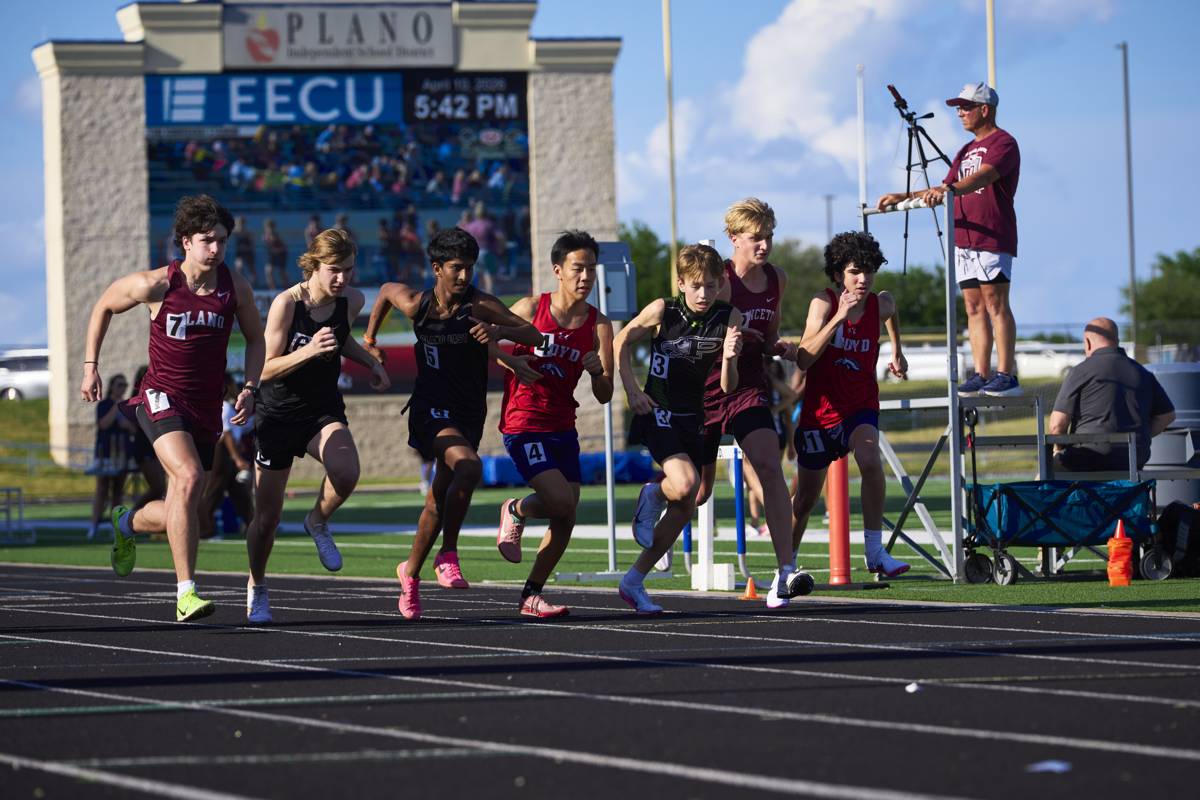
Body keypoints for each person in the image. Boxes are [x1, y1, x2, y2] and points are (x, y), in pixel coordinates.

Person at [81, 194, 265, 621]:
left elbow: (257, 339)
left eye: (222, 240)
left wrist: (250, 387)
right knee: (189, 476)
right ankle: (186, 594)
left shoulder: (234, 287)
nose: (216, 249)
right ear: (186, 242)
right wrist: (91, 367)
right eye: (207, 240)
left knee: (183, 506)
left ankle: (125, 522)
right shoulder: (157, 285)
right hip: (161, 397)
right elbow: (104, 305)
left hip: (205, 406)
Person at [363, 227, 540, 620]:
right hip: (430, 408)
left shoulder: (481, 305)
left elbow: (535, 334)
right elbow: (386, 291)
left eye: (470, 268)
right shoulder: (418, 305)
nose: (464, 276)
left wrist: (498, 332)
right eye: (457, 268)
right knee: (469, 467)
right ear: (437, 268)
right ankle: (448, 554)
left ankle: (409, 573)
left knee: (437, 500)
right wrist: (370, 339)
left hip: (469, 412)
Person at [244, 228, 390, 624]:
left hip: (322, 409)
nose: (342, 278)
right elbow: (264, 368)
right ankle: (257, 586)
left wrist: (371, 362)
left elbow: (341, 340)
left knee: (346, 472)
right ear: (314, 264)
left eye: (349, 270)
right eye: (334, 270)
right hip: (277, 414)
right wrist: (308, 350)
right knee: (267, 520)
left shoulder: (352, 300)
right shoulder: (287, 304)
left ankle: (317, 520)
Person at [690, 199, 812, 608]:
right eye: (756, 238)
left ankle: (784, 571)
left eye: (769, 237)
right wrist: (726, 342)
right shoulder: (718, 281)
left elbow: (769, 334)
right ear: (734, 238)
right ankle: (655, 497)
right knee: (698, 492)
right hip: (706, 391)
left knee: (769, 466)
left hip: (747, 390)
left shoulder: (777, 278)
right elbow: (689, 337)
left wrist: (778, 346)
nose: (764, 245)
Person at [615, 244, 743, 614]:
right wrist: (632, 391)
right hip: (658, 410)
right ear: (682, 283)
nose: (704, 294)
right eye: (696, 285)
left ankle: (633, 580)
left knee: (690, 501)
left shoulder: (729, 317)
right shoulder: (663, 310)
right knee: (685, 484)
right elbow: (621, 341)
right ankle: (654, 494)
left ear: (721, 284)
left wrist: (730, 358)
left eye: (711, 286)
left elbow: (728, 386)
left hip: (694, 416)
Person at [494, 230, 615, 618]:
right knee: (560, 501)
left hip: (563, 426)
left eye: (591, 269)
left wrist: (597, 372)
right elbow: (485, 338)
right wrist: (512, 361)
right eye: (578, 268)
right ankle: (516, 509)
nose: (586, 277)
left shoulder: (599, 326)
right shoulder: (531, 308)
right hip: (525, 421)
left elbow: (606, 394)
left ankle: (531, 594)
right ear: (558, 270)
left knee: (567, 513)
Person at [877, 82, 1021, 398]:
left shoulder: (1004, 142)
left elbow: (983, 176)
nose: (960, 113)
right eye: (958, 108)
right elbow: (945, 186)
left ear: (985, 109)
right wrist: (905, 196)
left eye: (965, 107)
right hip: (964, 236)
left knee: (995, 303)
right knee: (973, 306)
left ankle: (1006, 374)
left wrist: (948, 189)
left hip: (991, 233)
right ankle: (981, 373)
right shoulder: (965, 150)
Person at [791, 232, 910, 579]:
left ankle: (875, 551)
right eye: (855, 271)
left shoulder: (879, 303)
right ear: (838, 274)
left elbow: (891, 310)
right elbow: (803, 359)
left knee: (870, 459)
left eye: (869, 271)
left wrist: (896, 350)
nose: (863, 279)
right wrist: (839, 318)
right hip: (820, 415)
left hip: (860, 407)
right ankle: (786, 564)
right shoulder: (823, 303)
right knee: (805, 499)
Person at [1049, 318, 1175, 472]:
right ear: (1117, 340)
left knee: (1043, 474)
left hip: (1086, 459)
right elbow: (1167, 416)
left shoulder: (1080, 371)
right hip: (1132, 462)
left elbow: (1057, 425)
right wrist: (1141, 437)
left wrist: (1058, 449)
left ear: (1087, 343)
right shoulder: (1143, 373)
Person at [197, 374, 255, 540]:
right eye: (234, 385)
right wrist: (237, 458)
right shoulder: (224, 406)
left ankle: (253, 524)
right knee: (214, 490)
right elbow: (226, 434)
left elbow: (234, 432)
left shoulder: (226, 406)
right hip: (221, 452)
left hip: (228, 451)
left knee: (238, 491)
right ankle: (205, 529)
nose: (237, 389)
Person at [87, 374, 136, 540]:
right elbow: (104, 424)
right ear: (112, 387)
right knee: (102, 489)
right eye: (119, 385)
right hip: (105, 453)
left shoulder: (128, 406)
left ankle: (116, 526)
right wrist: (116, 406)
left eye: (124, 385)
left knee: (118, 491)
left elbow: (134, 430)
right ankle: (94, 524)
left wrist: (127, 425)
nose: (122, 388)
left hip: (122, 453)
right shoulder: (104, 404)